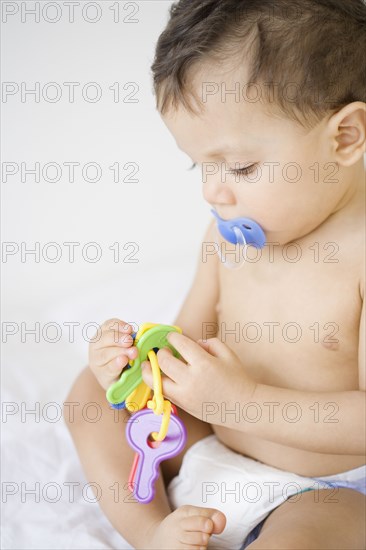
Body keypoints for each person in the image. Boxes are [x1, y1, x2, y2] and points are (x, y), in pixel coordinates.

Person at [64, 1, 366, 548]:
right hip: (211, 444)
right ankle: (153, 531)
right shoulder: (225, 242)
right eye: (199, 165)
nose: (212, 192)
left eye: (241, 167)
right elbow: (187, 346)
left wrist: (241, 403)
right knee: (88, 397)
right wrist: (136, 369)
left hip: (328, 486)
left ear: (344, 138)